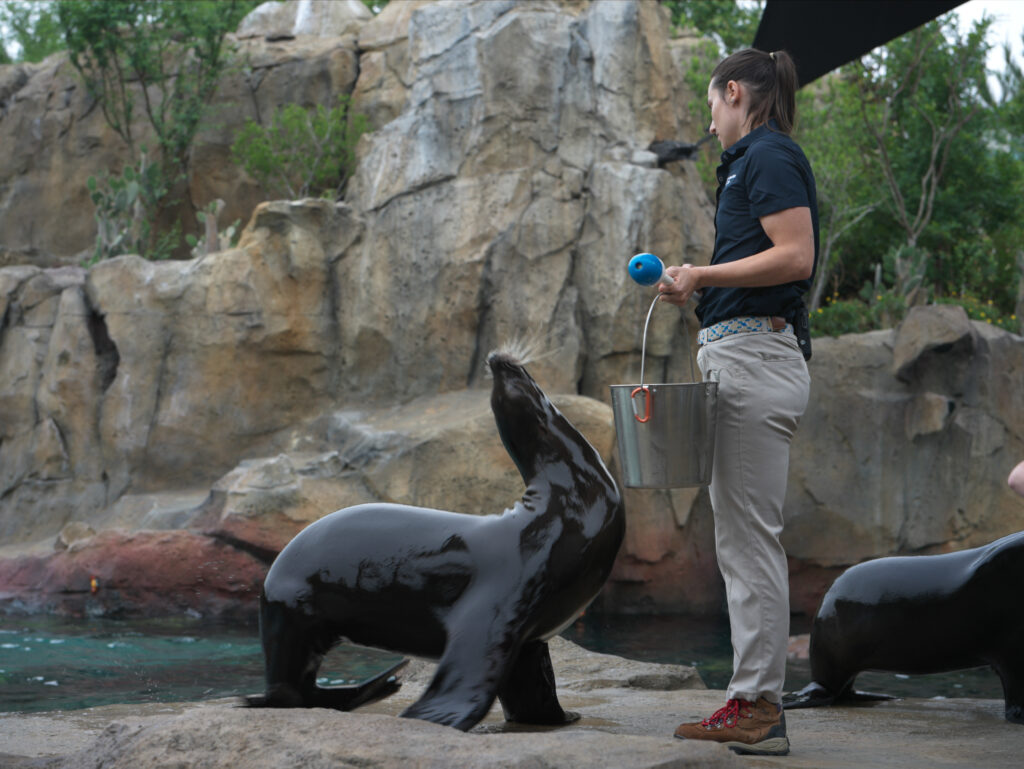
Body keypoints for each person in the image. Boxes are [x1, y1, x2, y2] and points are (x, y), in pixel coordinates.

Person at [658, 48, 817, 757]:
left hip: (756, 358)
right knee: (739, 534)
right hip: (741, 353)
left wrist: (703, 271)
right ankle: (750, 697)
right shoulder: (750, 163)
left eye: (713, 105)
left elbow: (796, 255)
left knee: (749, 536)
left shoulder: (769, 155)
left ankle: (757, 703)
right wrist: (696, 282)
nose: (710, 119)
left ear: (733, 93)